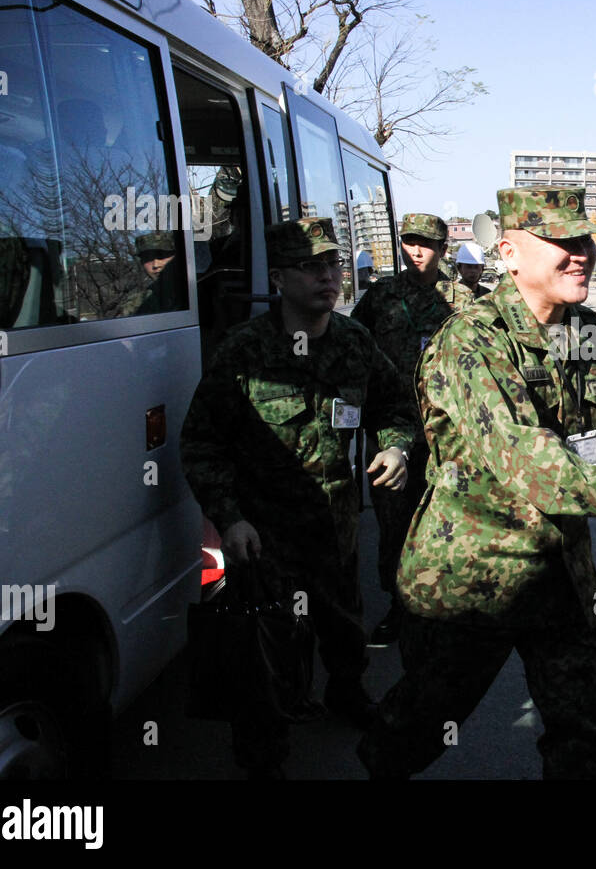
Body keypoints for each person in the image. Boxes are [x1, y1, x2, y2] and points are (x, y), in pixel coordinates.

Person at [357, 186, 596, 780]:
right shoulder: (471, 341)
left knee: (582, 732)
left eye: (584, 240)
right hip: (472, 579)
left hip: (561, 577)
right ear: (509, 253)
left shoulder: (587, 330)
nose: (581, 253)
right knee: (422, 724)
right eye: (561, 242)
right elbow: (524, 456)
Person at [180, 217, 416, 778]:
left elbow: (395, 408)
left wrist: (397, 449)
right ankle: (264, 758)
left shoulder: (355, 343)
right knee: (265, 661)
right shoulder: (244, 351)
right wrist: (229, 518)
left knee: (342, 630)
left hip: (335, 530)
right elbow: (201, 442)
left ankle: (346, 693)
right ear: (280, 278)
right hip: (264, 539)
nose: (329, 277)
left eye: (333, 265)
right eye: (312, 267)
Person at [351, 213, 479, 646]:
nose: (416, 250)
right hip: (391, 429)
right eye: (409, 242)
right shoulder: (381, 295)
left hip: (447, 433)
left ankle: (443, 605)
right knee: (394, 522)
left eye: (425, 243)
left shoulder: (463, 299)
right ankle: (399, 605)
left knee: (448, 522)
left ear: (443, 249)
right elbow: (353, 345)